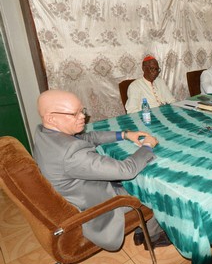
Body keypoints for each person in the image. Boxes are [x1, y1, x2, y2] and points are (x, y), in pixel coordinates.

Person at [33, 89, 171, 251]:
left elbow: (87, 138)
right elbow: (127, 170)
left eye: (82, 111)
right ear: (51, 118)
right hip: (100, 206)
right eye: (74, 114)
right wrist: (148, 146)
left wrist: (125, 134)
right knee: (155, 186)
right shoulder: (71, 154)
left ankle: (142, 229)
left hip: (85, 190)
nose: (83, 116)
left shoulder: (45, 132)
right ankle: (153, 235)